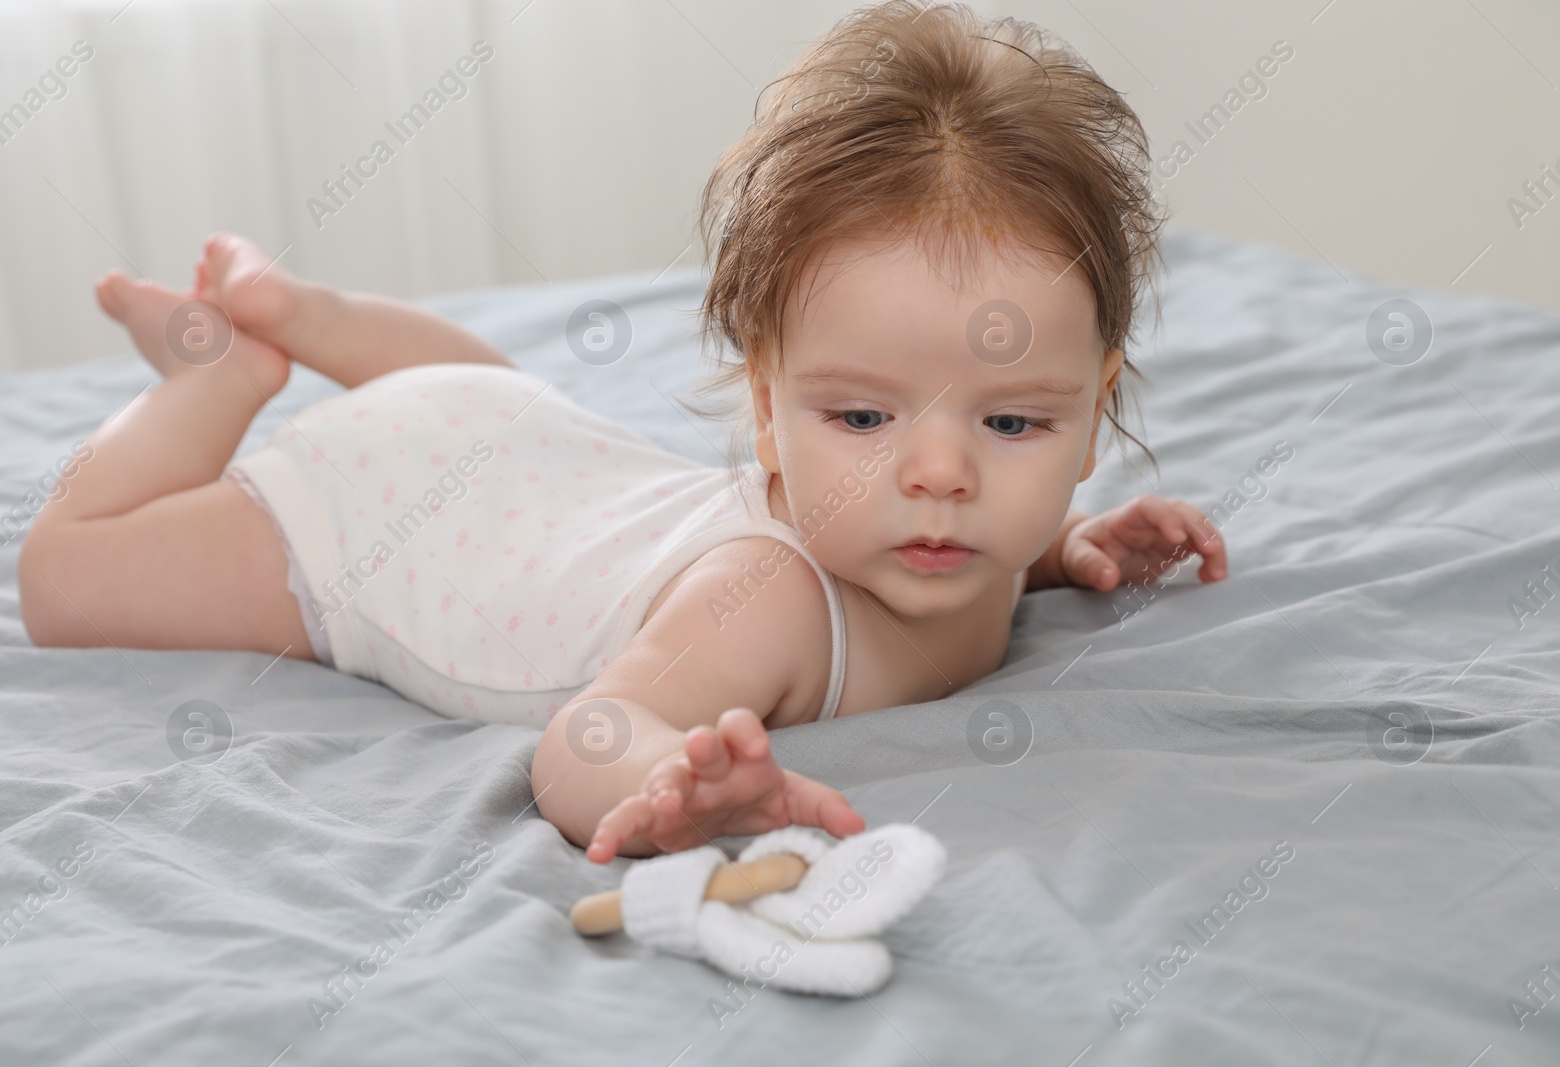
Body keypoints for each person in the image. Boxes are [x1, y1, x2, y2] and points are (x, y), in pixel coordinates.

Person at [19, 1, 1226, 865]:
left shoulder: (965, 527)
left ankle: (314, 314)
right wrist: (676, 780)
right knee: (64, 579)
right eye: (857, 416)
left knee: (486, 398)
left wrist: (1069, 543)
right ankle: (217, 370)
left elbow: (998, 517)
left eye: (1014, 420)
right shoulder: (767, 600)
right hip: (383, 520)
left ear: (1091, 404)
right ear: (764, 406)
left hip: (511, 435)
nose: (938, 473)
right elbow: (573, 742)